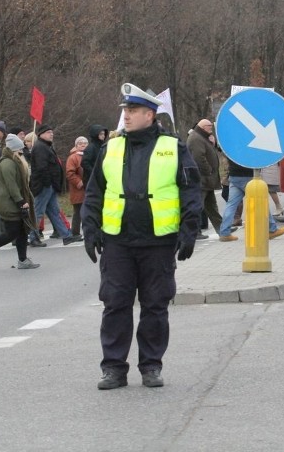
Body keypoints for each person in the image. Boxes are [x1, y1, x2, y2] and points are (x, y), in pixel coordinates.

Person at [81, 83, 202, 390]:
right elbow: (95, 191)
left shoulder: (174, 147)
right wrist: (90, 227)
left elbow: (191, 191)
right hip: (117, 242)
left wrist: (189, 231)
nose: (127, 117)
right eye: (125, 111)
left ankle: (151, 366)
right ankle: (113, 368)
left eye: (133, 111)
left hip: (158, 243)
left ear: (150, 114)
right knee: (115, 305)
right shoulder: (111, 147)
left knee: (155, 306)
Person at [0, 134, 39, 271]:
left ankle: (23, 260)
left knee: (22, 230)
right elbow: (11, 186)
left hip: (12, 200)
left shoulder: (14, 161)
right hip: (7, 202)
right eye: (19, 150)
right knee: (11, 233)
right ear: (13, 150)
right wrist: (21, 201)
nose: (21, 152)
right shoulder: (7, 163)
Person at [28, 124, 81, 246]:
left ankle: (66, 235)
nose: (51, 134)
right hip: (44, 186)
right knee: (38, 212)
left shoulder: (46, 146)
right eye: (48, 132)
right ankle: (33, 237)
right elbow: (42, 168)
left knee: (54, 211)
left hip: (49, 186)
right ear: (40, 134)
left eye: (51, 132)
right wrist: (47, 183)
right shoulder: (40, 147)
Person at [218, 157, 284, 242]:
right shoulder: (247, 144)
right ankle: (272, 229)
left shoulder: (234, 144)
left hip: (234, 175)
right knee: (261, 202)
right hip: (248, 175)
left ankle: (224, 233)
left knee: (230, 205)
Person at [186, 118, 222, 237]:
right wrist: (209, 171)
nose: (211, 129)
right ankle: (194, 232)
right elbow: (198, 158)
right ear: (203, 127)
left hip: (207, 180)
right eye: (209, 127)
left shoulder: (202, 137)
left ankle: (222, 229)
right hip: (201, 179)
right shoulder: (196, 138)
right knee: (197, 207)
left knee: (211, 206)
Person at [65, 136, 88, 237]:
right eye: (80, 143)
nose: (83, 145)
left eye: (85, 143)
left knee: (88, 212)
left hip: (88, 188)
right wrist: (79, 182)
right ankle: (75, 233)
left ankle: (88, 232)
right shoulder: (73, 157)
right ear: (76, 145)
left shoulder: (88, 155)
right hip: (78, 189)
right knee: (78, 212)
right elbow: (70, 173)